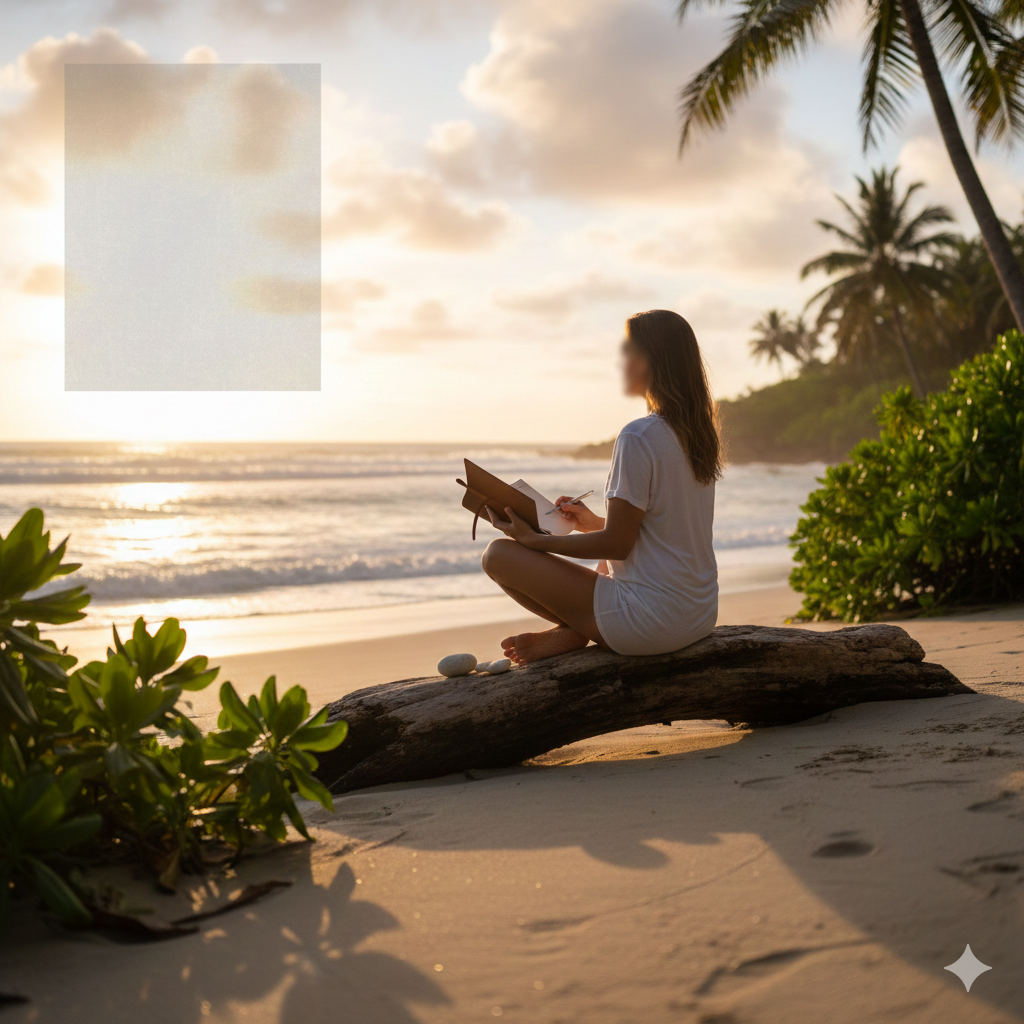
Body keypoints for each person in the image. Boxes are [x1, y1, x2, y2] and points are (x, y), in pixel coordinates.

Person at [481, 308, 722, 664]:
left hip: (651, 624)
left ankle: (577, 631)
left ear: (647, 361)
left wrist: (536, 540)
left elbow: (618, 545)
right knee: (606, 566)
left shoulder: (638, 436)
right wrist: (591, 522)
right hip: (699, 614)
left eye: (627, 352)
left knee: (497, 555)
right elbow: (661, 532)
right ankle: (576, 630)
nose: (621, 362)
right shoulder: (697, 436)